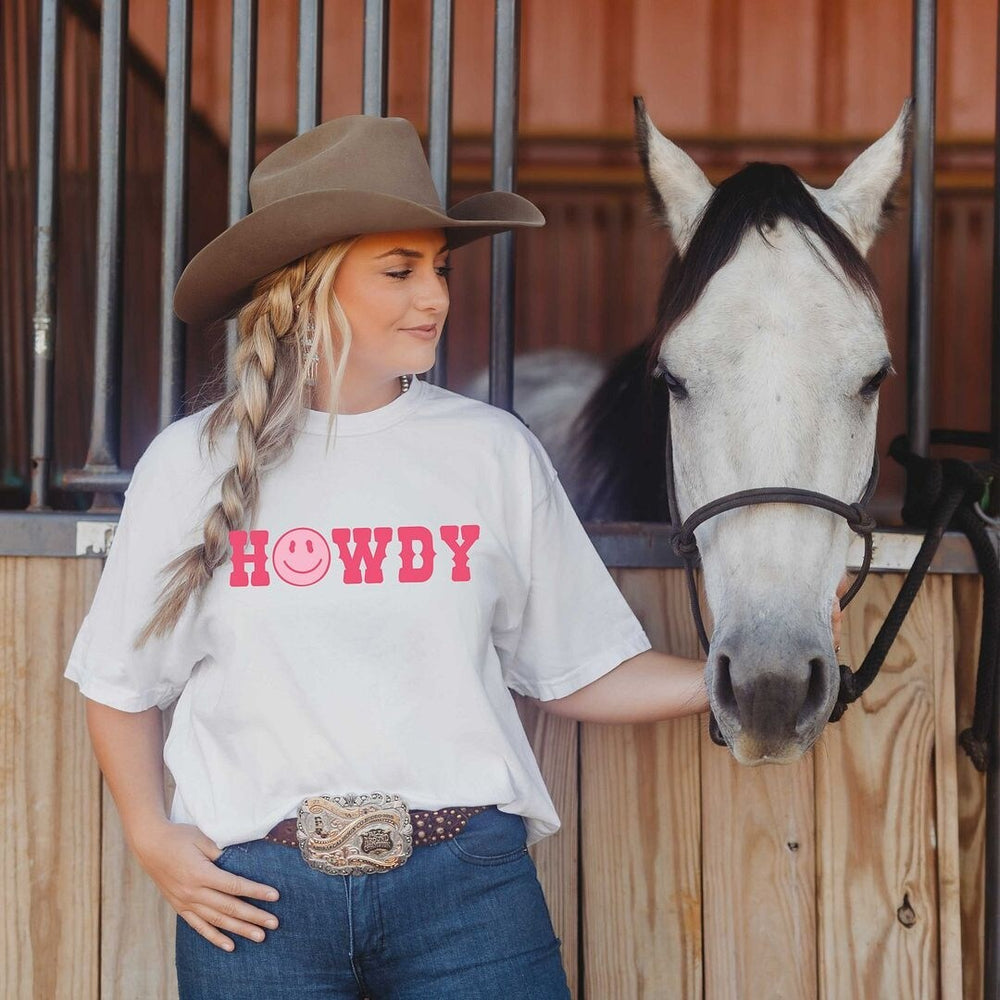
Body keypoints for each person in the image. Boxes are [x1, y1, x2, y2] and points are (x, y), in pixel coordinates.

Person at [63, 114, 719, 999]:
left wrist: (729, 675)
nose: (436, 297)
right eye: (399, 270)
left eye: (439, 269)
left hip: (468, 892)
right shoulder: (191, 461)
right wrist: (151, 837)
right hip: (260, 895)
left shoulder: (490, 451)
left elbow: (573, 671)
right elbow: (120, 682)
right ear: (306, 286)